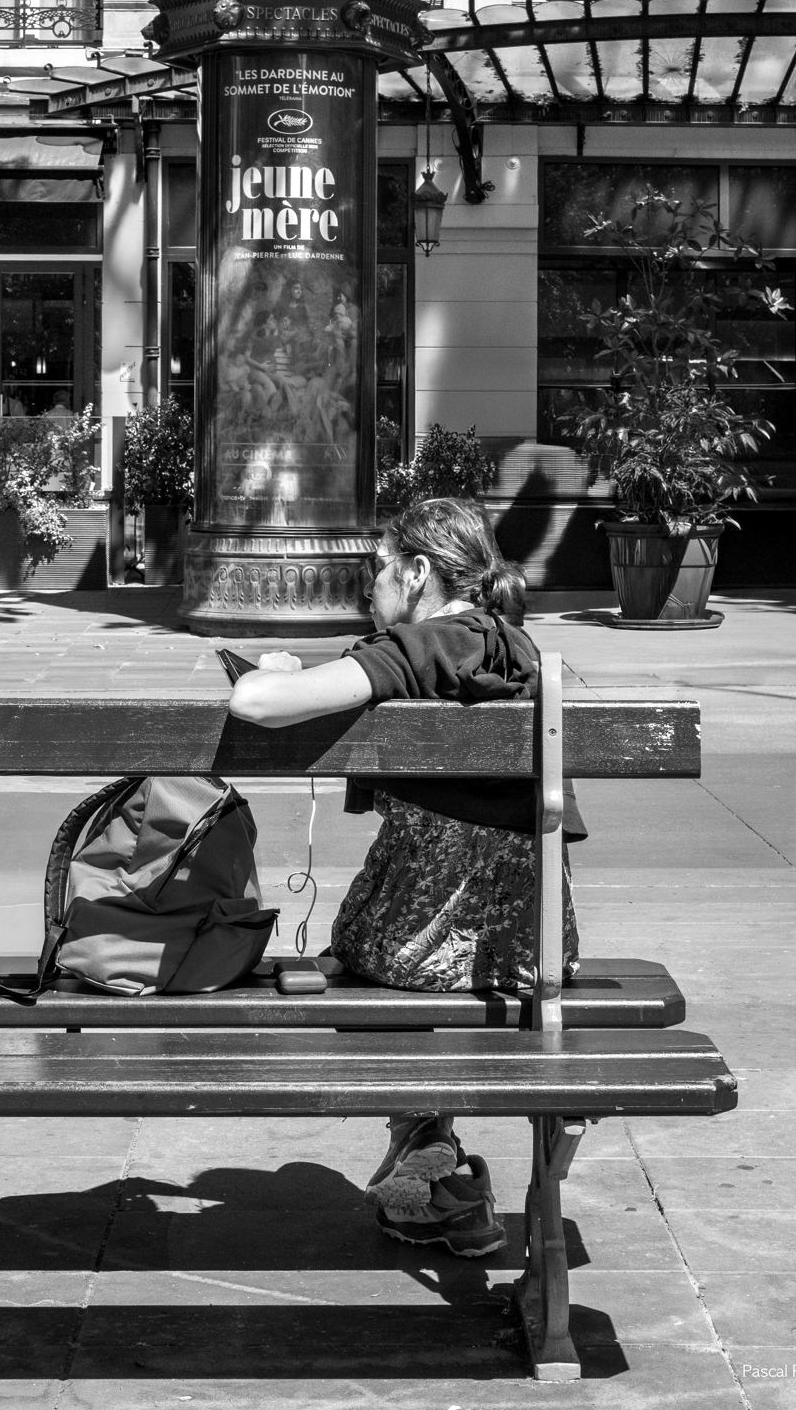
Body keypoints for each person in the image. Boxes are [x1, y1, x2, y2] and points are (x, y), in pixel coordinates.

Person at [227, 497, 584, 1259]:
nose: (371, 586)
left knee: (348, 958)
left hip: (421, 939)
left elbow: (255, 704)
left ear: (418, 571)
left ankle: (426, 1139)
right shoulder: (512, 646)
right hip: (532, 942)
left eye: (379, 568)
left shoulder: (422, 645)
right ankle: (438, 1184)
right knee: (365, 950)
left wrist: (275, 669)